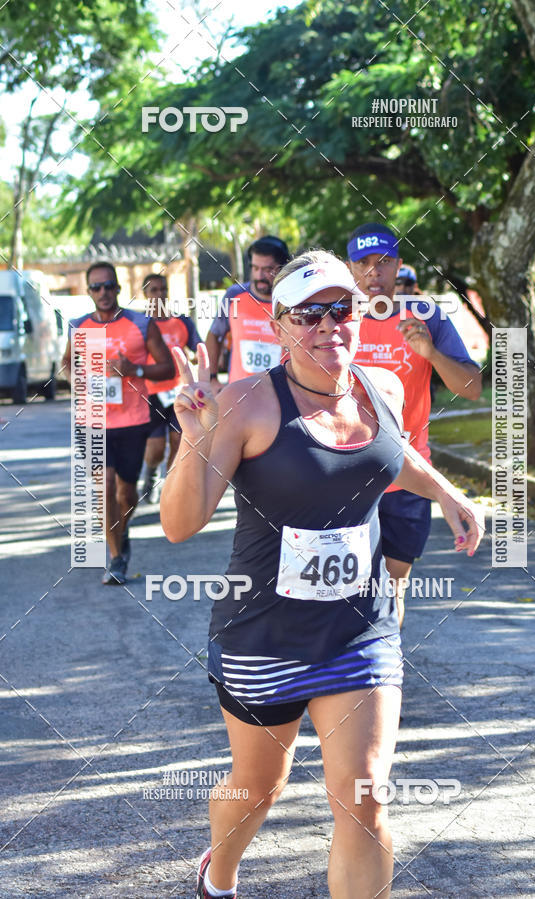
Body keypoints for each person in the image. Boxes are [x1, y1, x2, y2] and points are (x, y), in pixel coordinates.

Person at [160, 250, 484, 899]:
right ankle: (218, 873)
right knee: (257, 788)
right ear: (279, 325)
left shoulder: (380, 389)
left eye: (342, 309)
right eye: (310, 313)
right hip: (263, 636)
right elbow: (180, 523)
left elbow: (396, 457)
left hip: (358, 632)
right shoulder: (247, 402)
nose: (329, 325)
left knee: (365, 799)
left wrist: (448, 492)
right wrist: (195, 438)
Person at [347, 223, 482, 626]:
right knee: (347, 588)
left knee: (392, 586)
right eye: (363, 263)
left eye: (384, 262)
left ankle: (384, 672)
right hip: (346, 475)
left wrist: (431, 352)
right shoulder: (335, 321)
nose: (374, 272)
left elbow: (472, 388)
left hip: (408, 475)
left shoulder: (425, 317)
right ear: (349, 269)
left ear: (398, 266)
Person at [62, 262, 174, 585]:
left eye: (109, 286)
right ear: (88, 291)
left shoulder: (141, 324)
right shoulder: (78, 326)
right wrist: (76, 382)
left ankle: (120, 535)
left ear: (118, 289)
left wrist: (134, 369)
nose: (103, 292)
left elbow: (167, 369)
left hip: (133, 420)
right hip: (93, 420)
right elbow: (68, 362)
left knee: (127, 493)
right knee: (105, 485)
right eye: (96, 287)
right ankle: (115, 558)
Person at [140, 273, 202, 503]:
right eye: (153, 290)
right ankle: (151, 473)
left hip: (179, 392)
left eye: (163, 289)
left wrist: (194, 361)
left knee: (178, 442)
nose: (159, 294)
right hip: (151, 394)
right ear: (145, 294)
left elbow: (199, 349)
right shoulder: (141, 325)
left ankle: (170, 487)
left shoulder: (182, 321)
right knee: (156, 447)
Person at [205, 235, 291, 385]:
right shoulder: (234, 296)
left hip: (285, 391)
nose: (259, 275)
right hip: (240, 393)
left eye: (267, 269)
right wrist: (212, 379)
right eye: (255, 268)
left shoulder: (293, 299)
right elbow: (215, 334)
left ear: (283, 268)